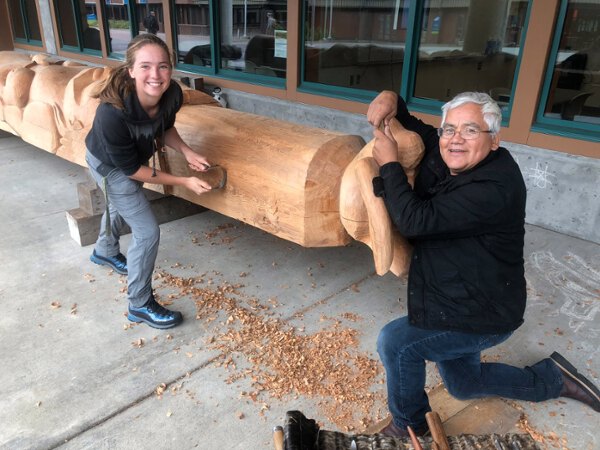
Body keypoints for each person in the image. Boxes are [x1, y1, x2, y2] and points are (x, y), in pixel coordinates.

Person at [366, 90, 600, 437]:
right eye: (450, 130)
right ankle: (552, 379)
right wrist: (392, 101)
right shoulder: (448, 149)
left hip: (481, 313)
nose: (455, 139)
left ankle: (409, 426)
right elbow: (418, 128)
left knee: (396, 343)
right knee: (464, 385)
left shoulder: (495, 187)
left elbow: (415, 221)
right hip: (453, 296)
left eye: (471, 130)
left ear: (494, 140)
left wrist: (389, 166)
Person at [86, 34, 214, 329]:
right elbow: (130, 170)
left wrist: (188, 151)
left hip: (132, 160)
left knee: (122, 203)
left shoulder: (172, 95)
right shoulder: (111, 114)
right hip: (109, 165)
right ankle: (139, 304)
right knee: (147, 231)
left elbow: (164, 127)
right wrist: (184, 180)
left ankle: (104, 251)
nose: (155, 75)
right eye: (145, 66)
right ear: (130, 70)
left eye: (163, 66)